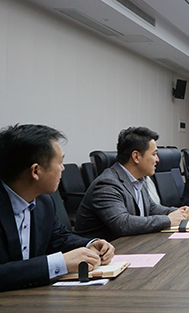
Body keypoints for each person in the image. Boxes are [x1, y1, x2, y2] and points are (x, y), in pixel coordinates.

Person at [0, 124, 114, 292]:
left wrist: (90, 244)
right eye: (60, 162)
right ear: (35, 171)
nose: (63, 168)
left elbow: (58, 238)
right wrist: (59, 263)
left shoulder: (43, 201)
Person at [75, 127, 189, 241]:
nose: (157, 160)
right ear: (136, 157)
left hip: (131, 243)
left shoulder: (138, 178)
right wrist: (168, 220)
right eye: (154, 154)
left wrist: (177, 212)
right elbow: (123, 224)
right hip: (103, 250)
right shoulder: (107, 184)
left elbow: (151, 208)